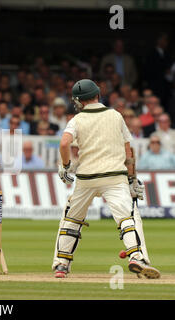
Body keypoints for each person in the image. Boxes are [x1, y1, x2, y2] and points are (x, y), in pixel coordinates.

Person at [53, 79, 160, 279]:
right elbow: (128, 150)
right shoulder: (116, 115)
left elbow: (64, 143)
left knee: (72, 218)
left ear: (79, 101)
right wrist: (132, 179)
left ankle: (61, 264)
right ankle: (136, 256)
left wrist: (66, 166)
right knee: (128, 217)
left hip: (86, 178)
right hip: (114, 176)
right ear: (97, 95)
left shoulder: (77, 119)